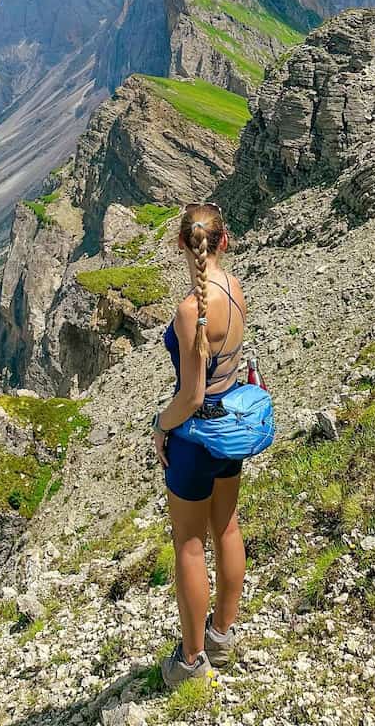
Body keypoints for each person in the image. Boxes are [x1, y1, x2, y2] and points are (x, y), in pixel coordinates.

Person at [151, 202, 248, 689]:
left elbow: (190, 396)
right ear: (223, 242)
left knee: (190, 547)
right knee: (227, 527)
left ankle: (190, 665)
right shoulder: (235, 288)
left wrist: (158, 425)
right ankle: (222, 636)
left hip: (194, 441)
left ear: (181, 246)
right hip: (230, 430)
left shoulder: (190, 311)